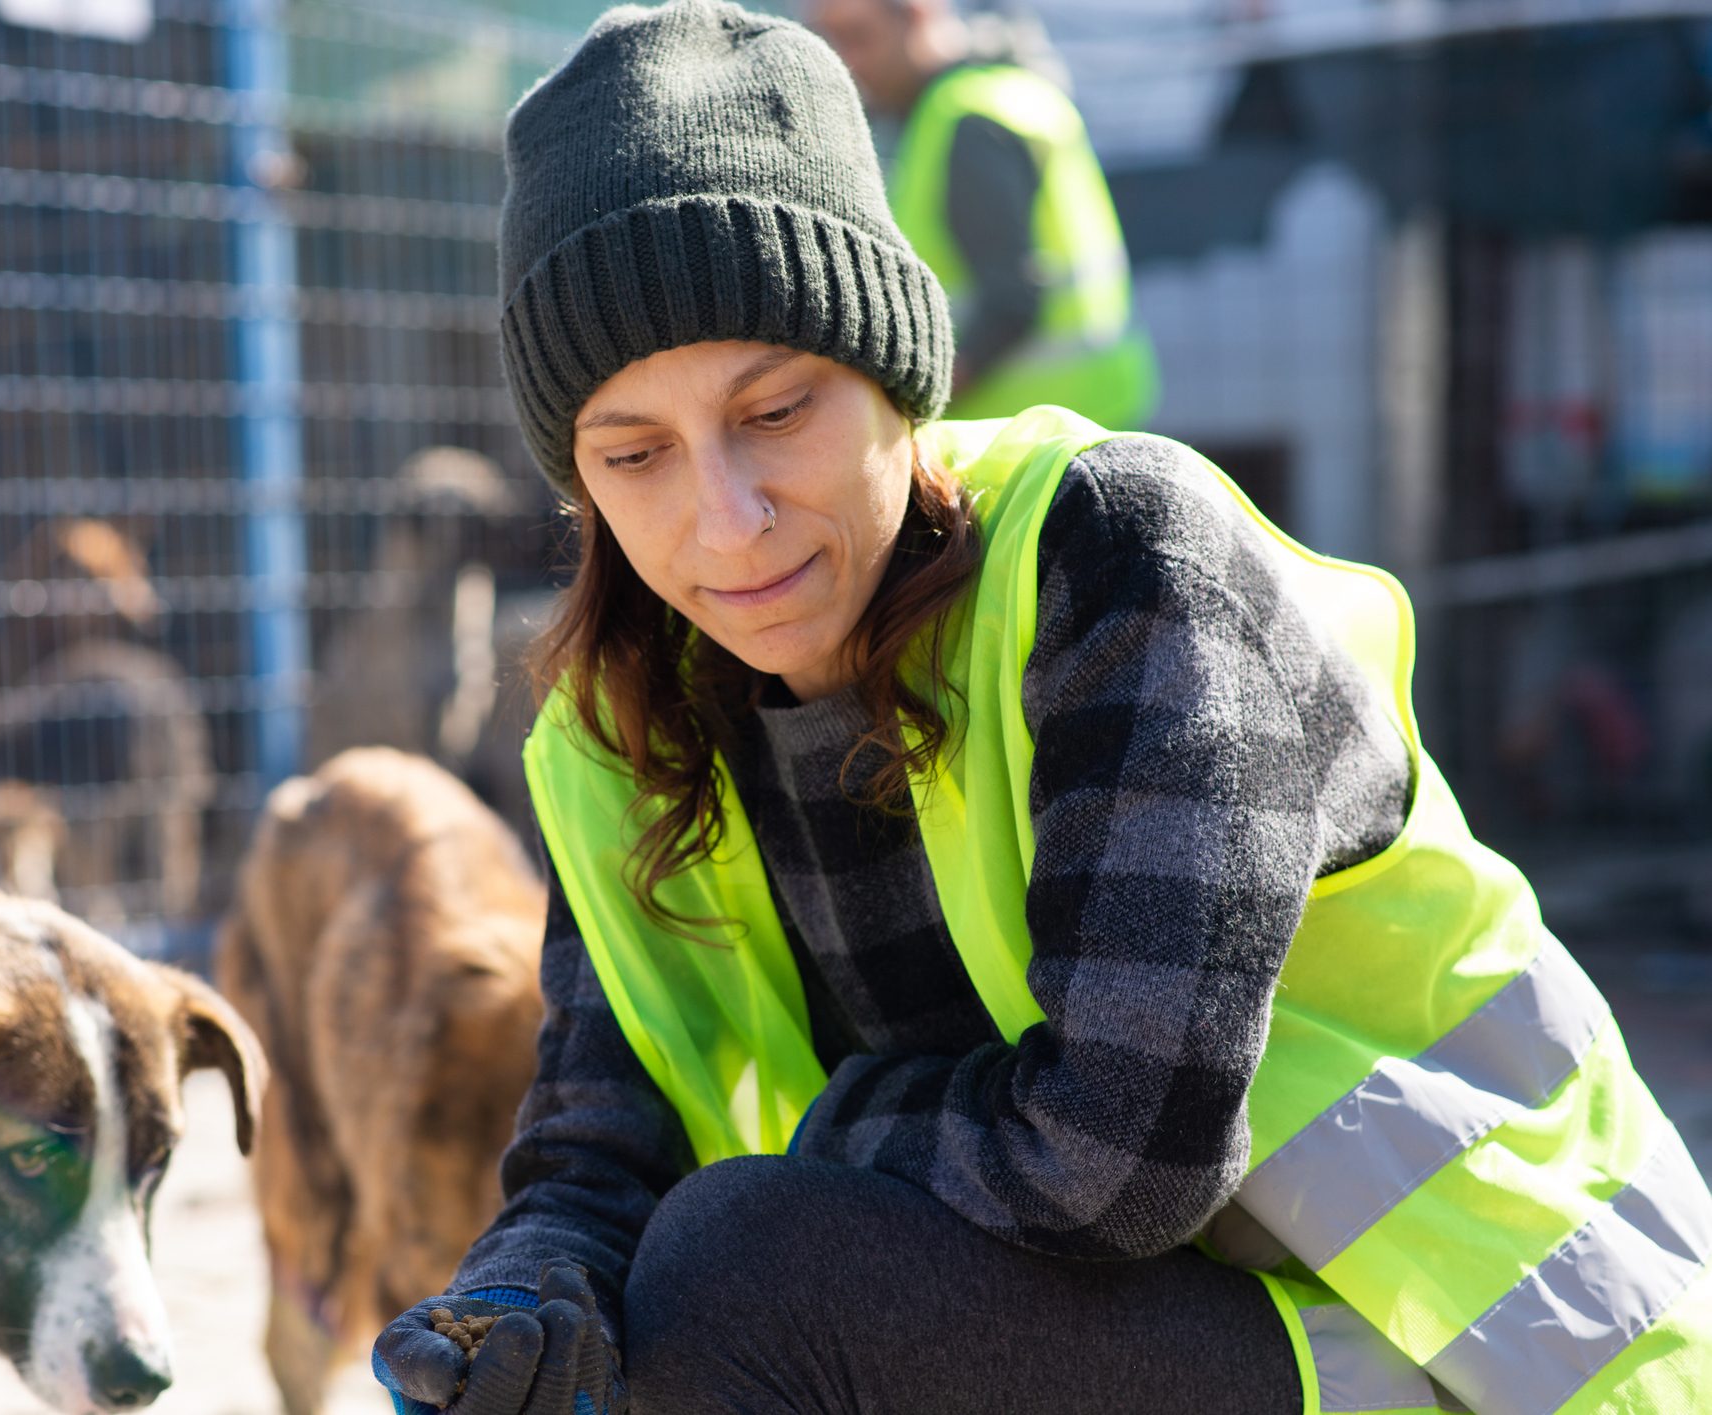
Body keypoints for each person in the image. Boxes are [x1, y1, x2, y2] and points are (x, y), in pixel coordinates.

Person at [368, 3, 1712, 1412]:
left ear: (893, 373)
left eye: (776, 411)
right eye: (633, 453)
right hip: (1138, 1315)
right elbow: (596, 1140)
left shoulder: (1121, 563)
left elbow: (1119, 1159)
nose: (726, 519)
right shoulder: (618, 729)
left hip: (1475, 1341)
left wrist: (819, 1130)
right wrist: (527, 1289)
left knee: (737, 1264)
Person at [803, 0, 1158, 430]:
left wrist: (905, 402)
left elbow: (1011, 301)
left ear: (918, 14)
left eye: (859, 37)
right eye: (829, 39)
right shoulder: (1003, 90)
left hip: (1032, 429)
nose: (846, 61)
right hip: (1081, 408)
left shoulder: (968, 120)